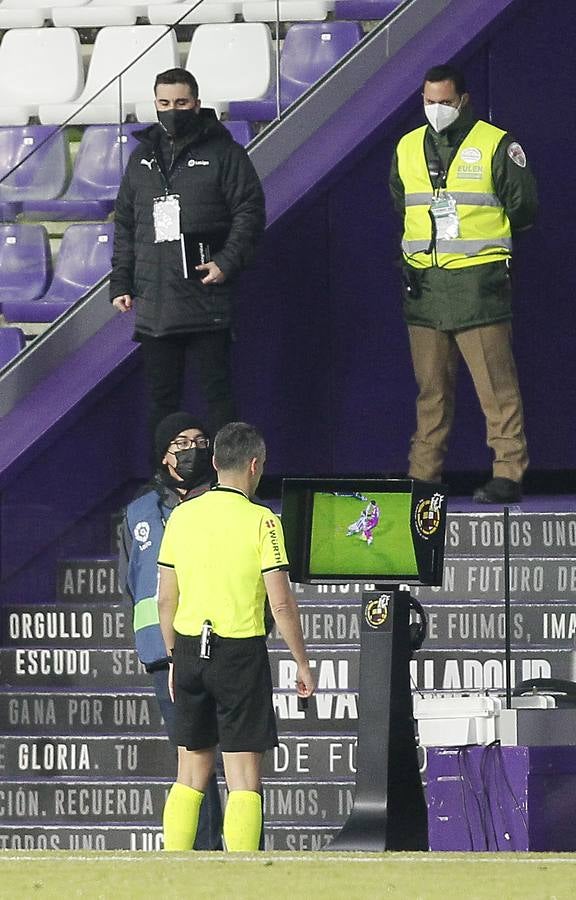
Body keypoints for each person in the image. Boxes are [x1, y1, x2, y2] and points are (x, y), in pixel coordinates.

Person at [157, 421, 315, 852]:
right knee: (243, 777)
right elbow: (280, 604)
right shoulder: (262, 521)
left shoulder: (182, 515)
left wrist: (174, 658)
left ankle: (170, 871)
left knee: (189, 773)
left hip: (189, 650)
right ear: (254, 465)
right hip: (239, 653)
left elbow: (165, 600)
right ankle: (243, 878)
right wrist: (302, 662)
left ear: (213, 462)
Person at [389, 64, 538, 503]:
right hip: (425, 286)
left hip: (478, 286)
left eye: (445, 102)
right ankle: (424, 475)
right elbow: (402, 203)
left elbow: (524, 208)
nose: (436, 110)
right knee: (430, 390)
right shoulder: (407, 147)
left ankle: (508, 473)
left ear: (464, 100)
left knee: (496, 388)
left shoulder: (496, 144)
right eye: (429, 102)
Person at [109, 67, 266, 447]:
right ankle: (163, 492)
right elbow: (127, 223)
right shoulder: (141, 158)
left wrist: (226, 262)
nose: (172, 110)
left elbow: (251, 210)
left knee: (219, 400)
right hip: (154, 304)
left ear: (196, 103)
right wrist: (121, 281)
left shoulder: (225, 153)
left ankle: (229, 485)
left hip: (206, 299)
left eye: (180, 102)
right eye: (164, 103)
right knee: (162, 405)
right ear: (155, 104)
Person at [117, 411, 223, 850]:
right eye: (182, 443)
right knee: (193, 758)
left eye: (201, 441)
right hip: (164, 655)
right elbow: (131, 581)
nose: (193, 449)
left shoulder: (225, 504)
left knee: (232, 760)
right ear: (164, 454)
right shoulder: (138, 513)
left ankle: (225, 853)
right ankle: (201, 851)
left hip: (219, 645)